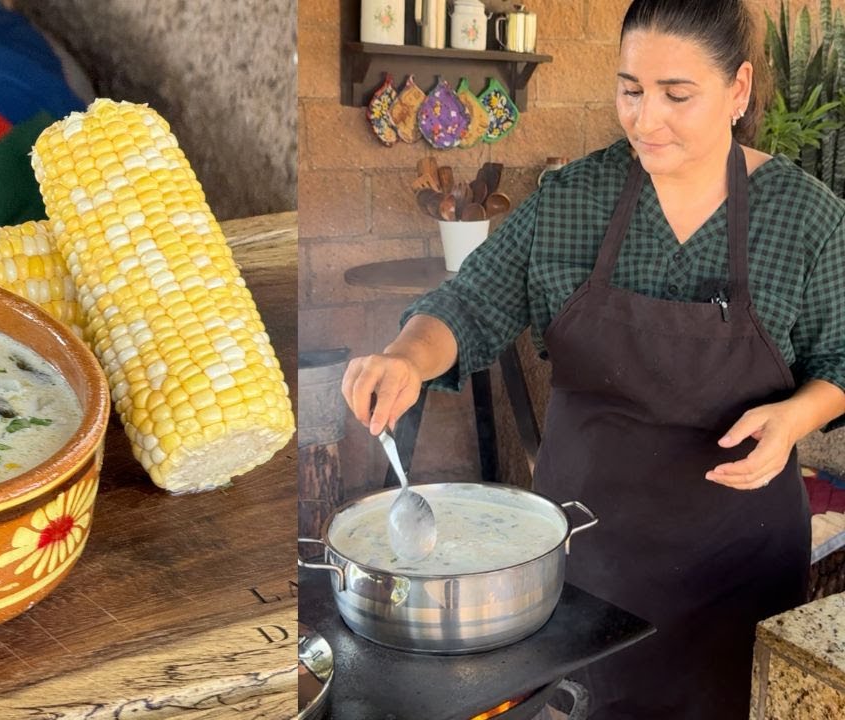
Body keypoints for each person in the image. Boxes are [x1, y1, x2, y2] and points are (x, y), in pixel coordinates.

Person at [340, 0, 845, 716]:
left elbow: (841, 358)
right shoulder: (575, 197)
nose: (644, 119)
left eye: (677, 95)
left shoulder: (805, 217)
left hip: (738, 560)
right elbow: (470, 303)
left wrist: (798, 415)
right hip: (583, 553)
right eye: (630, 89)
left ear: (737, 90)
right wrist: (403, 357)